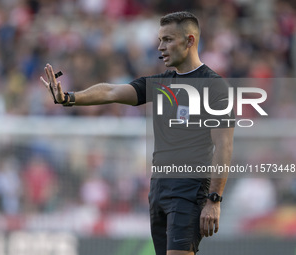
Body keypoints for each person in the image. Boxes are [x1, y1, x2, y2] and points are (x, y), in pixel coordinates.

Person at [40, 11, 234, 255]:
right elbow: (111, 91)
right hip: (159, 189)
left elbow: (224, 146)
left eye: (168, 40)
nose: (160, 47)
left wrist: (214, 200)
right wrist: (68, 98)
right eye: (160, 40)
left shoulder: (213, 86)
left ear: (190, 40)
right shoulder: (161, 84)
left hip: (189, 189)